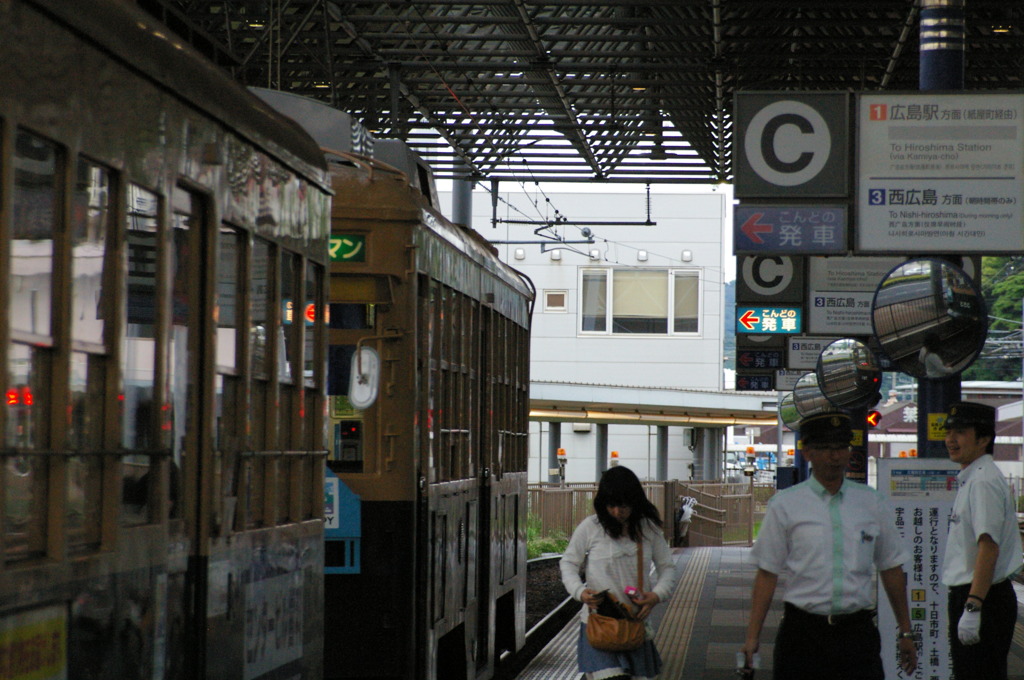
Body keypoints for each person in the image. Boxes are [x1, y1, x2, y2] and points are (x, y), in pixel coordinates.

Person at [740, 412, 917, 679]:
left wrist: (905, 631)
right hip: (802, 634)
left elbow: (891, 568)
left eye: (841, 448)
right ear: (807, 452)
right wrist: (752, 638)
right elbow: (767, 573)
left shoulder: (872, 503)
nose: (835, 457)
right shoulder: (786, 505)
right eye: (825, 448)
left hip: (857, 633)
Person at [560, 466, 678, 680]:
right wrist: (580, 592)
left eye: (623, 505)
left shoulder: (648, 529)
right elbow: (568, 563)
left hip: (633, 624)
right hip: (598, 625)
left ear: (635, 502)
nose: (617, 512)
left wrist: (656, 595)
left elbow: (667, 567)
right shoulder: (590, 527)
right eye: (611, 505)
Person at [941, 401, 1023, 680]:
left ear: (984, 438)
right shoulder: (974, 476)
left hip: (983, 598)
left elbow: (988, 545)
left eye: (960, 432)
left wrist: (973, 606)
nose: (950, 439)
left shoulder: (983, 481)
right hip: (981, 595)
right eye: (949, 432)